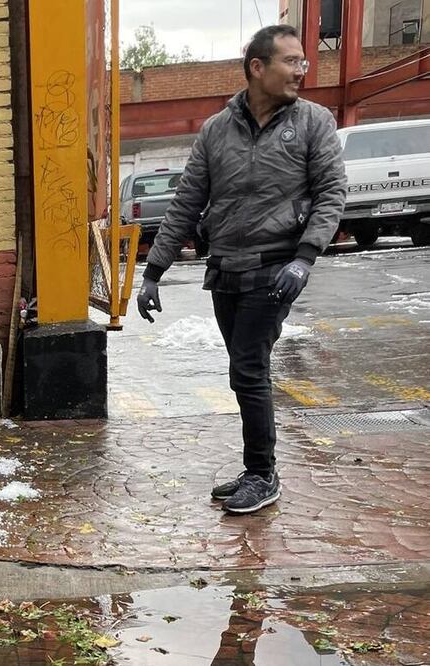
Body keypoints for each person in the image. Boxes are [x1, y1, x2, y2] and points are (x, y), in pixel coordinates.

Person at [135, 25, 346, 514]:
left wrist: (304, 257)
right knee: (242, 372)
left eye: (303, 63)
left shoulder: (314, 122)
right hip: (225, 267)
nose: (300, 71)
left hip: (276, 268)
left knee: (248, 370)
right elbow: (187, 201)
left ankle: (262, 474)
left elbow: (332, 194)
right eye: (291, 61)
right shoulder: (216, 130)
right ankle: (257, 466)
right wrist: (153, 271)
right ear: (257, 67)